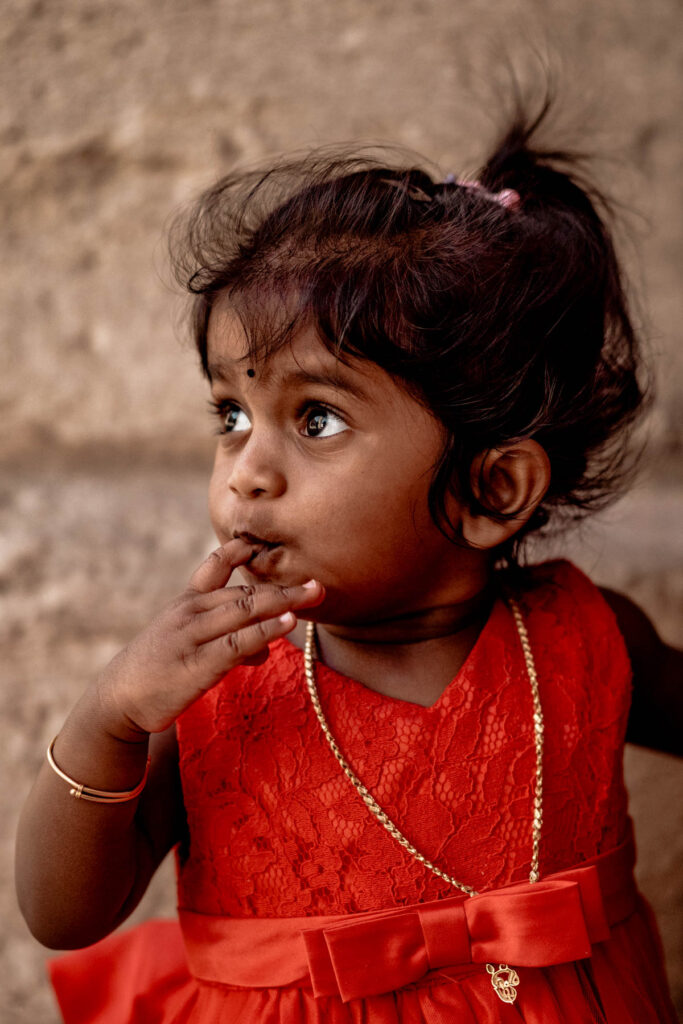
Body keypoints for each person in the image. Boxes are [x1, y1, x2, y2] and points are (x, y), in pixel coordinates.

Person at [16, 100, 681, 1023]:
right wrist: (110, 719)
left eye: (316, 419)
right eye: (231, 415)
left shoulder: (586, 641)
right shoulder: (214, 694)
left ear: (491, 490)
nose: (246, 473)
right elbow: (62, 915)